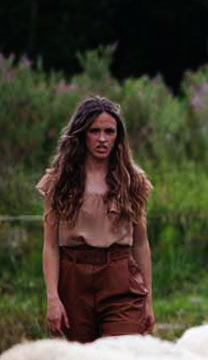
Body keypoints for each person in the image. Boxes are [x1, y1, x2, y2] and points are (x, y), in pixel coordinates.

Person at [38, 96, 155, 342]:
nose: (102, 139)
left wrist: (148, 300)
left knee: (124, 355)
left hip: (120, 278)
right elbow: (50, 246)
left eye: (109, 131)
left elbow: (141, 244)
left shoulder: (132, 181)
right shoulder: (59, 182)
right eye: (94, 131)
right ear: (82, 134)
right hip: (73, 279)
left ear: (118, 136)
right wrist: (53, 298)